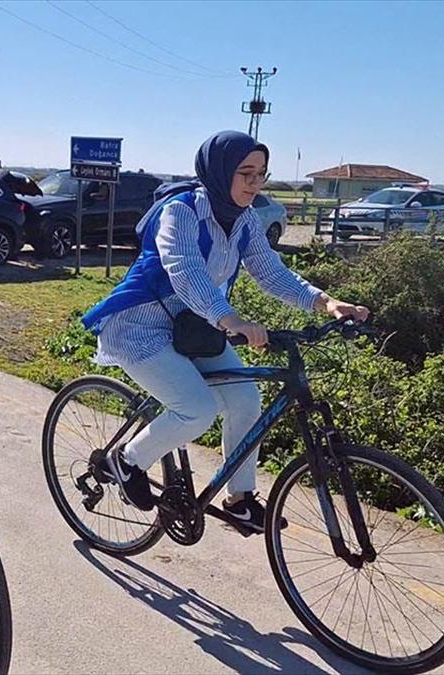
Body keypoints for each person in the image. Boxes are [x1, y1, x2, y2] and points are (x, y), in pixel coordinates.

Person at [80, 131, 369, 529]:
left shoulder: (244, 219)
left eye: (262, 174)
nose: (254, 183)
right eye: (245, 172)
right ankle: (126, 461)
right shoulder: (180, 212)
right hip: (140, 327)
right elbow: (185, 271)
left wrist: (325, 302)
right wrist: (230, 319)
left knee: (246, 401)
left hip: (195, 326)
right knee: (196, 410)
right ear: (217, 172)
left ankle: (239, 500)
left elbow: (270, 273)